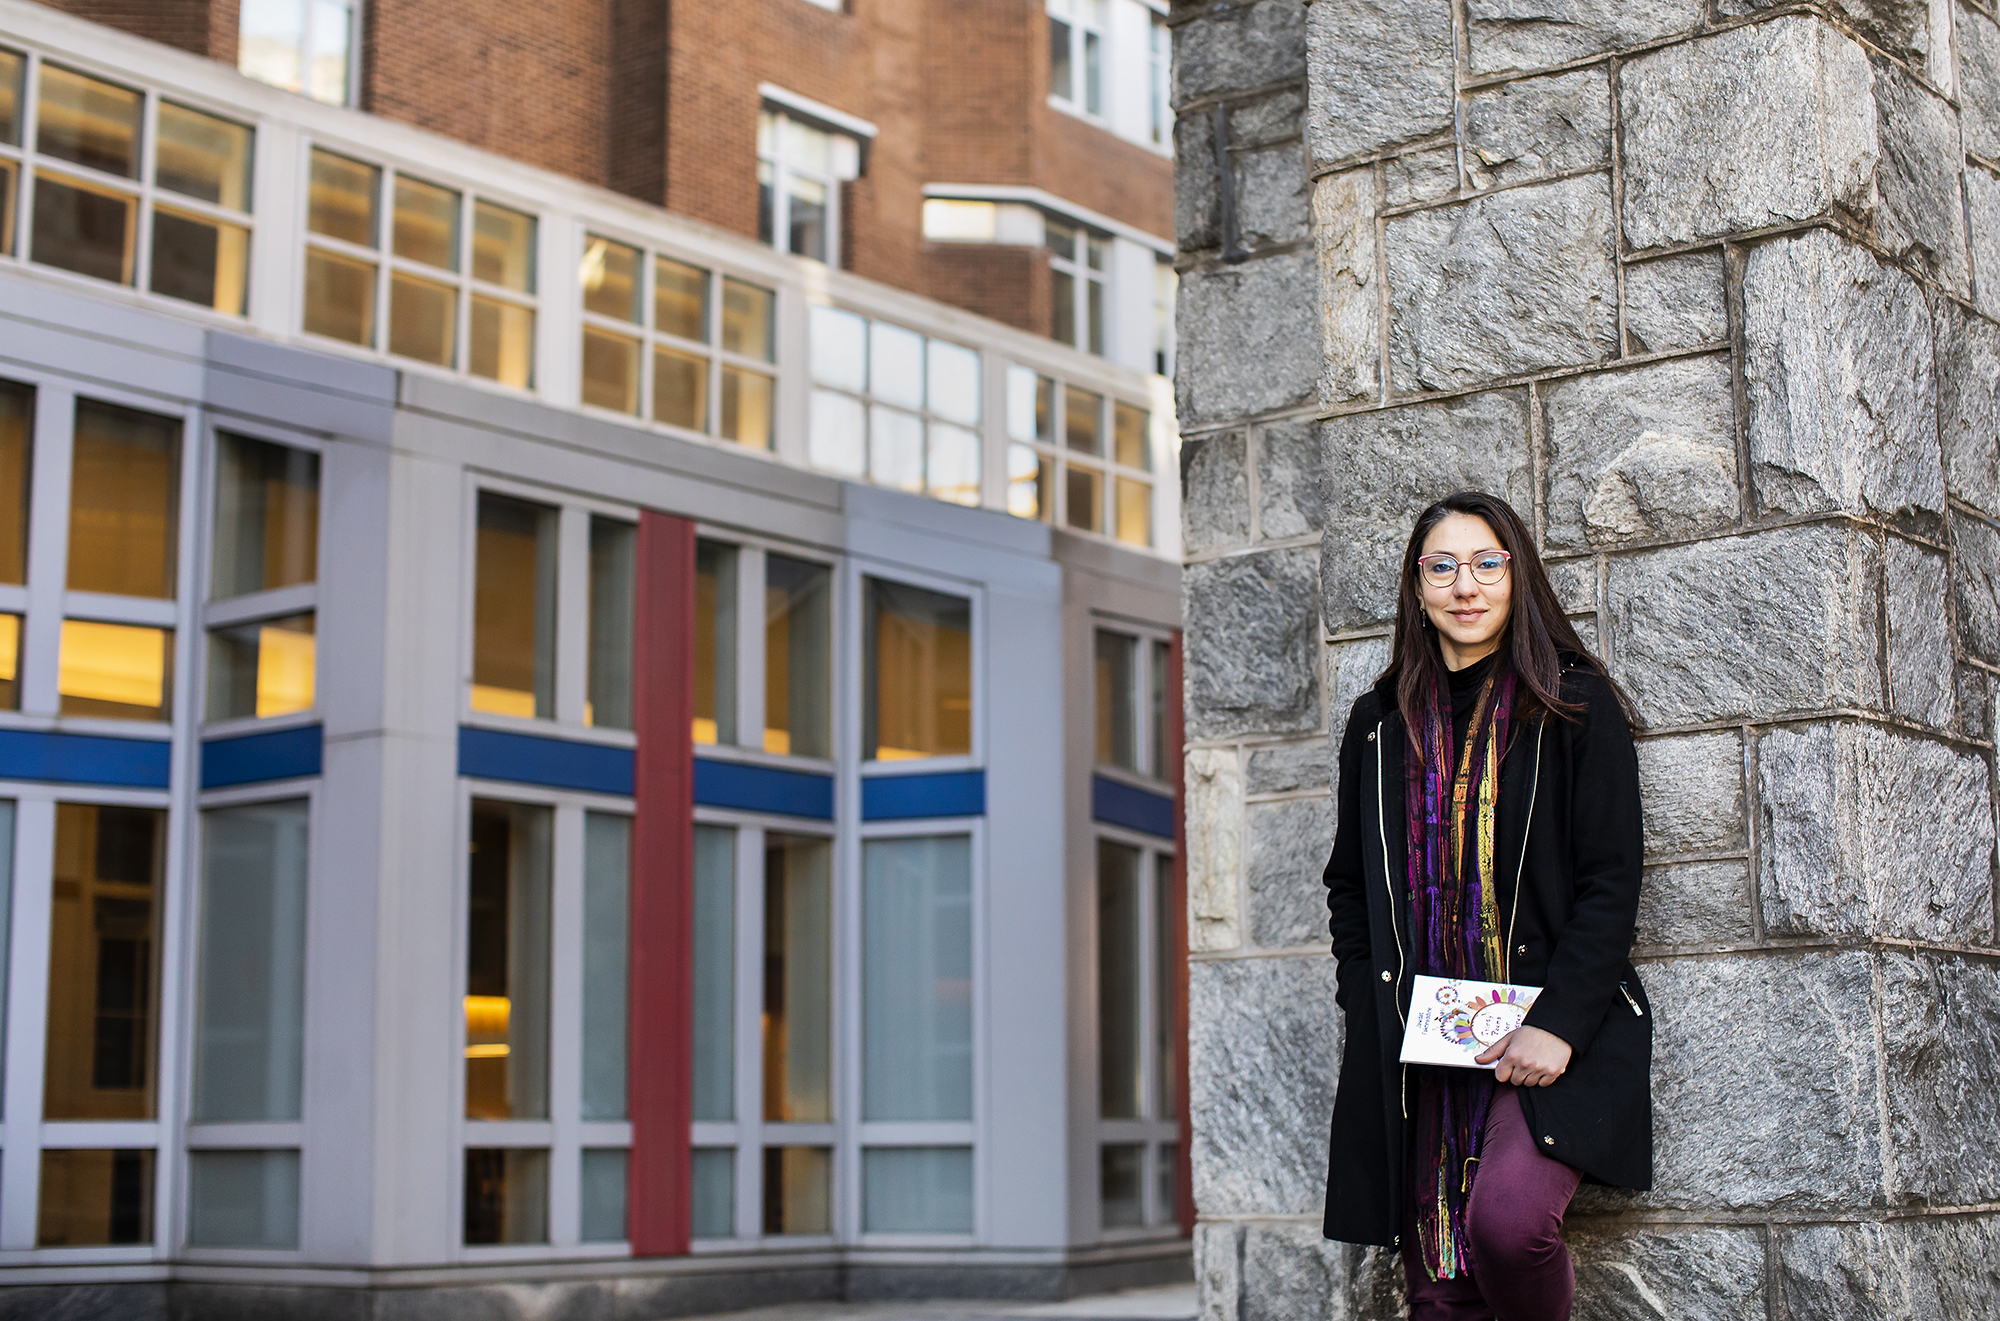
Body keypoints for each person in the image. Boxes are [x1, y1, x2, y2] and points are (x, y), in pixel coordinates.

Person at [1320, 491, 1651, 1320]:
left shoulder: (1571, 705)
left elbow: (1611, 881)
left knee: (1506, 1222)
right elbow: (1350, 886)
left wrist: (1559, 1024)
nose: (1465, 585)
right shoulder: (1377, 725)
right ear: (1417, 586)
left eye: (1486, 563)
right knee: (1436, 1288)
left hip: (1546, 1025)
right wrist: (1370, 1000)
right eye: (1442, 566)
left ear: (1516, 575)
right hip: (1423, 1039)